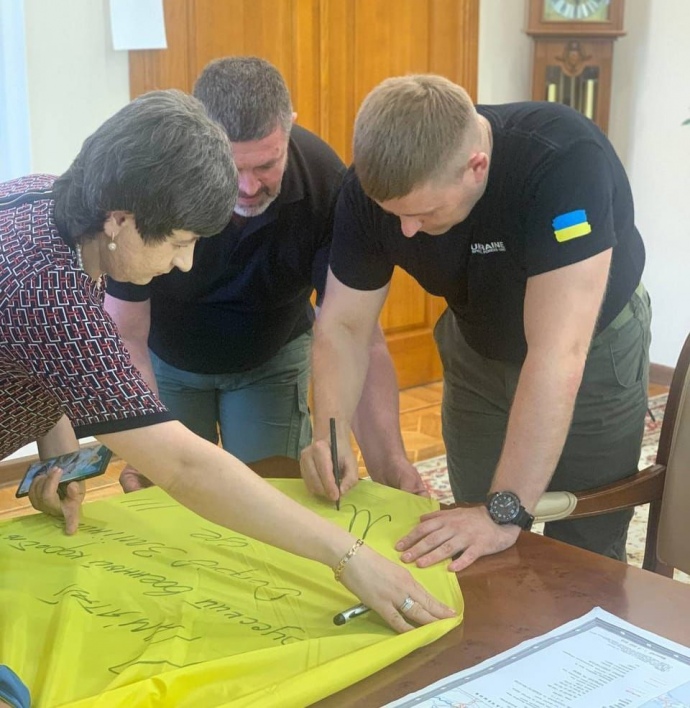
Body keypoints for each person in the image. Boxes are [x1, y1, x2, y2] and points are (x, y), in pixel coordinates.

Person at [0, 88, 454, 633]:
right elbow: (185, 467)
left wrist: (59, 464)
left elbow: (45, 361)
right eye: (180, 241)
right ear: (120, 220)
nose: (185, 263)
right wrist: (349, 557)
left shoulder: (49, 204)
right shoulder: (48, 288)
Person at [300, 74, 650, 570]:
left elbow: (557, 353)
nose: (406, 231)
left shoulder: (563, 159)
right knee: (468, 533)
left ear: (476, 167)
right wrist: (330, 434)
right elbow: (344, 327)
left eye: (423, 213)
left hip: (593, 346)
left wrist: (505, 511)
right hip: (476, 339)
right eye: (393, 215)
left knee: (585, 546)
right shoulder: (367, 190)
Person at [104, 57, 423, 496]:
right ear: (199, 137)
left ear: (289, 126)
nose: (249, 187)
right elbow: (124, 332)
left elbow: (358, 334)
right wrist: (144, 438)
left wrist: (390, 464)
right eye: (232, 168)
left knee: (273, 495)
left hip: (271, 359)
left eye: (266, 166)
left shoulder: (325, 183)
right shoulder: (149, 182)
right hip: (166, 362)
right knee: (175, 498)